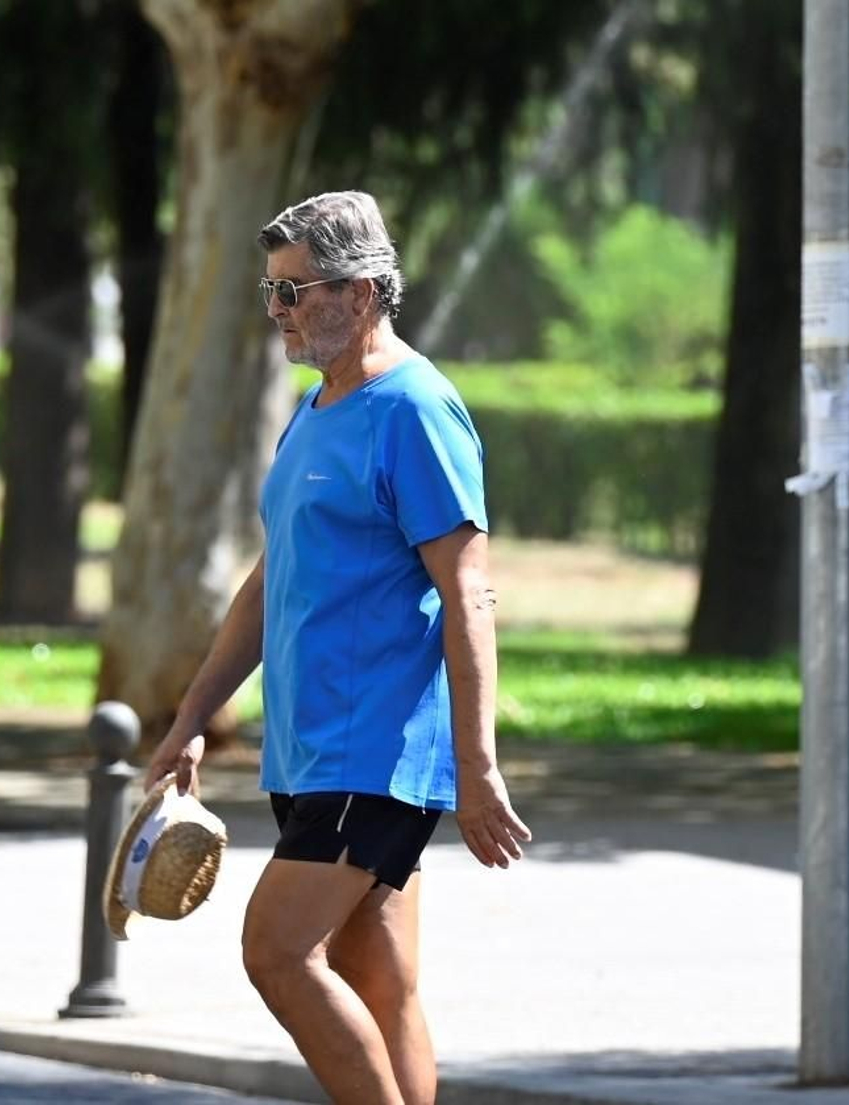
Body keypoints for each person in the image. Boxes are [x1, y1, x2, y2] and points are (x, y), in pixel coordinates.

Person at [143, 190, 531, 1105]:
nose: (277, 311)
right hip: (311, 750)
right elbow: (271, 582)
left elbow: (467, 592)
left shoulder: (417, 410)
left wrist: (478, 766)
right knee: (381, 983)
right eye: (270, 292)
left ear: (360, 294)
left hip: (377, 755)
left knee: (275, 949)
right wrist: (194, 717)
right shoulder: (316, 410)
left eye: (295, 291)